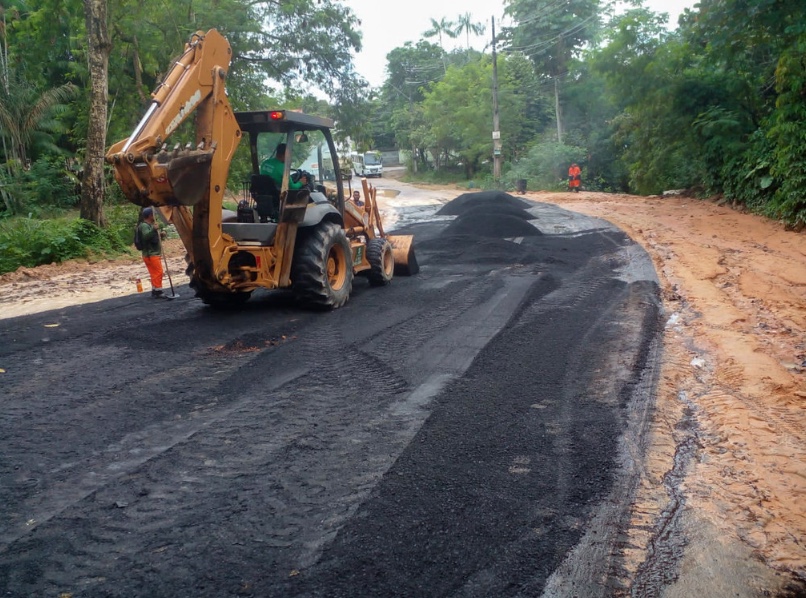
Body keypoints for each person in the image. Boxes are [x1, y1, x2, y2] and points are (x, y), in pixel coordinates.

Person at [138, 207, 165, 298]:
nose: (155, 216)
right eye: (154, 214)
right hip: (151, 254)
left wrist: (161, 234)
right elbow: (145, 237)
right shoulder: (144, 226)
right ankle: (158, 290)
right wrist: (154, 229)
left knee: (154, 273)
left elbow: (154, 238)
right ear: (150, 215)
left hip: (152, 253)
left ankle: (154, 289)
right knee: (158, 272)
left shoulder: (151, 225)